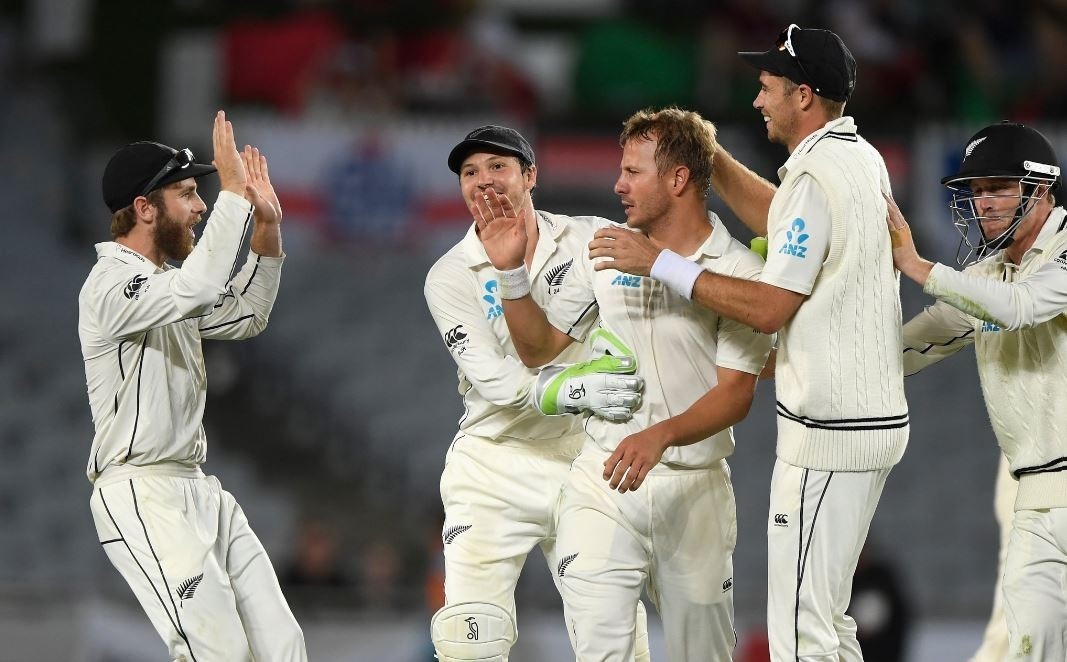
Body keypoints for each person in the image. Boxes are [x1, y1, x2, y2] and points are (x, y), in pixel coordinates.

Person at [594, 25, 909, 662]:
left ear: (805, 96)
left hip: (830, 432)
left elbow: (768, 309)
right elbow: (787, 220)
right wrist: (710, 154)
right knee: (830, 623)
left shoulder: (817, 175)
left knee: (800, 635)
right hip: (869, 422)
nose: (758, 100)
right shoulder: (856, 158)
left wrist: (660, 264)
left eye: (768, 88)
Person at [474, 108, 774, 661]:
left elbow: (737, 393)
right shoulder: (604, 253)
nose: (618, 184)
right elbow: (539, 351)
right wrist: (511, 273)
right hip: (603, 478)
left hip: (695, 490)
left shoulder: (738, 273)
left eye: (633, 172)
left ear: (678, 179)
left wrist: (660, 435)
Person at [80, 111, 306, 661]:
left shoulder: (167, 286)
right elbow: (202, 286)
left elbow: (246, 314)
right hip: (141, 491)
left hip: (198, 488)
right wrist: (233, 192)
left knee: (282, 646)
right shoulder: (110, 286)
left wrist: (267, 231)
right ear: (143, 208)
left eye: (202, 192)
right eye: (187, 193)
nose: (202, 205)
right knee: (218, 650)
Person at [423, 125, 650, 662]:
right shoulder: (449, 276)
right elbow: (493, 379)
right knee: (470, 644)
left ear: (530, 176)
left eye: (497, 167)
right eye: (469, 172)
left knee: (615, 637)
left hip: (585, 463)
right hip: (492, 468)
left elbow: (645, 315)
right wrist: (575, 388)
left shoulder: (590, 238)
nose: (482, 181)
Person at [887, 120, 1067, 661]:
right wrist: (815, 365)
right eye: (976, 190)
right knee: (1027, 648)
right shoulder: (990, 275)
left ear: (1040, 191)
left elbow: (1019, 309)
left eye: (998, 188)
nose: (982, 203)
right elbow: (921, 339)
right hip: (1036, 495)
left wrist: (918, 266)